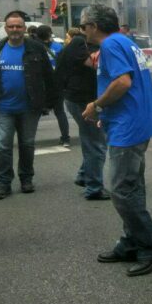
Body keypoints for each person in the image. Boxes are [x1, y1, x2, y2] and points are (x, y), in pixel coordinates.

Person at [80, 4, 152, 277]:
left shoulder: (110, 46)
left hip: (127, 128)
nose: (82, 31)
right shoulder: (125, 41)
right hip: (134, 122)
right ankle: (131, 242)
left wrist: (96, 105)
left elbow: (122, 83)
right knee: (132, 186)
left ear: (94, 26)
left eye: (83, 26)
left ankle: (151, 245)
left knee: (120, 190)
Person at [0, 11, 57, 200]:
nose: (15, 30)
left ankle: (26, 179)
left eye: (18, 26)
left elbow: (49, 77)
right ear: (6, 28)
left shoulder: (36, 49)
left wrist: (48, 103)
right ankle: (4, 183)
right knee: (3, 147)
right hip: (2, 108)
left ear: (24, 28)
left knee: (27, 144)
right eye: (11, 26)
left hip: (29, 108)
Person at [56, 30, 109, 200]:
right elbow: (94, 64)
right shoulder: (80, 43)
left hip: (80, 98)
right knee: (96, 143)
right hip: (82, 99)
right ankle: (94, 187)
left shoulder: (85, 43)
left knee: (91, 139)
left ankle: (84, 175)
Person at [36, 25, 70, 147]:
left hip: (40, 84)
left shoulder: (35, 47)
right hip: (56, 84)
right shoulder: (58, 47)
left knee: (33, 113)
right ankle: (65, 138)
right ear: (50, 34)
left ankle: (27, 138)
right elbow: (64, 65)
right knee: (60, 111)